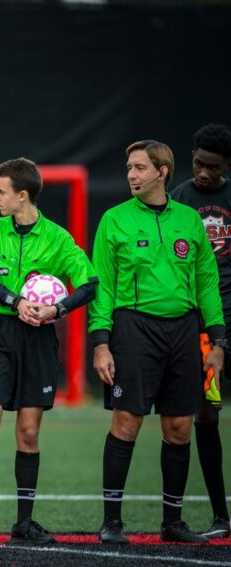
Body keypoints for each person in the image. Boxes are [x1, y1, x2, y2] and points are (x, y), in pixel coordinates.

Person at [0, 158, 97, 545]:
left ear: (22, 195)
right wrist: (17, 301)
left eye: (1, 191)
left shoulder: (58, 238)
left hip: (38, 340)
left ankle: (24, 523)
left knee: (29, 433)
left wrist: (56, 308)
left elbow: (88, 284)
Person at [90, 140, 224, 544]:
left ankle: (173, 522)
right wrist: (101, 342)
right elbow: (103, 287)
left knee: (180, 426)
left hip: (184, 332)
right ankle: (111, 523)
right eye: (129, 168)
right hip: (133, 330)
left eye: (139, 168)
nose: (131, 175)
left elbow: (207, 284)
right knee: (126, 422)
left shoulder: (189, 221)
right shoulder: (114, 220)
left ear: (162, 172)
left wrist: (218, 340)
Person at [170, 123, 231, 539]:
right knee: (205, 414)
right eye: (197, 163)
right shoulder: (179, 199)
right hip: (204, 325)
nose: (203, 172)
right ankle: (220, 516)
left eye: (212, 166)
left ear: (226, 165)